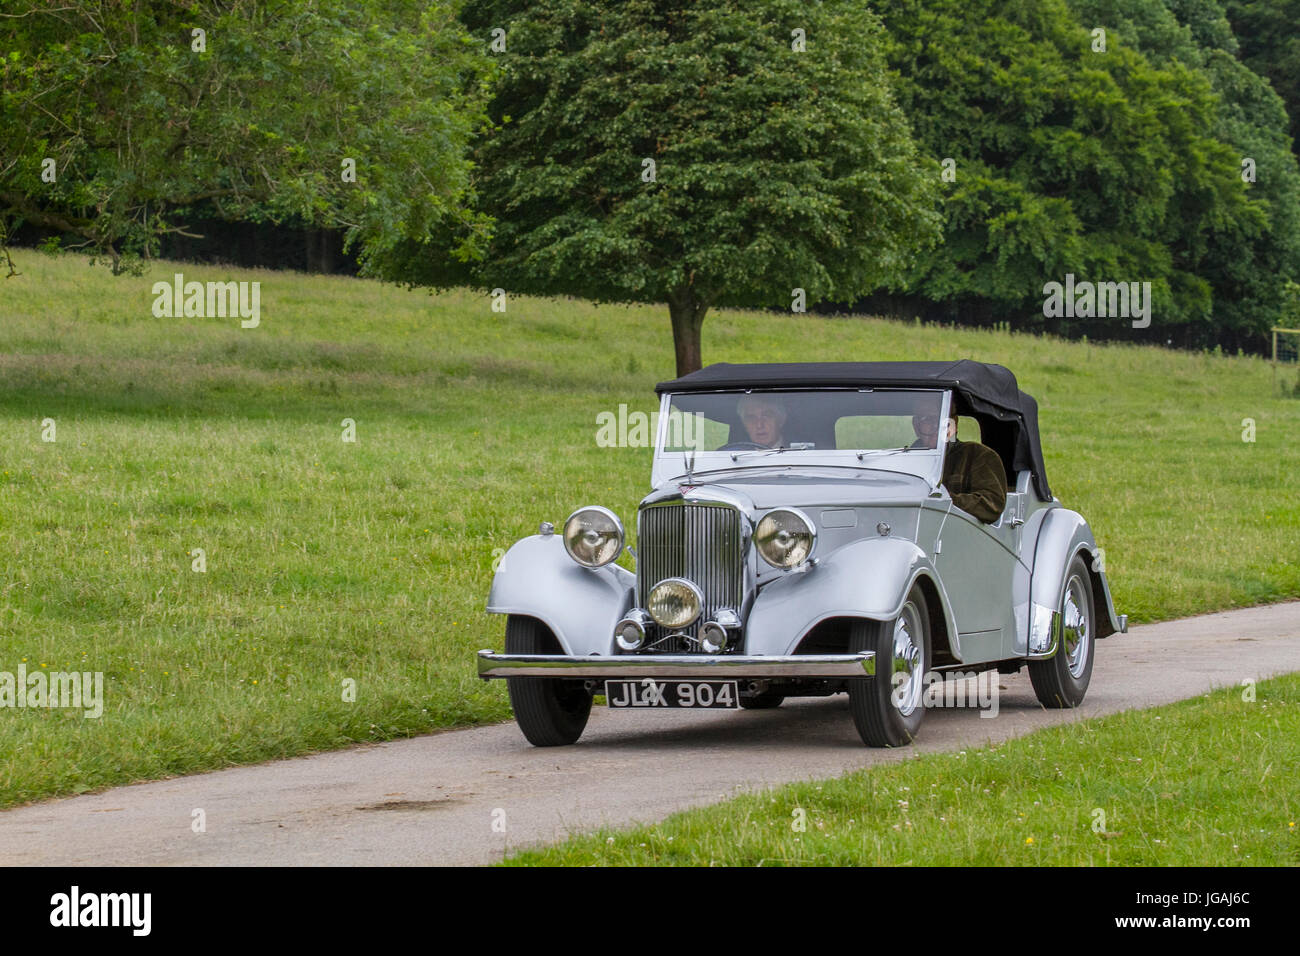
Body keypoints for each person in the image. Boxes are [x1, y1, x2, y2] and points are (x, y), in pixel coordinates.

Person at [910, 400, 1007, 523]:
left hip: (961, 535)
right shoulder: (902, 461)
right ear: (916, 426)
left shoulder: (977, 455)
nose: (937, 426)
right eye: (927, 419)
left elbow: (991, 505)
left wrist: (939, 502)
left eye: (944, 419)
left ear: (954, 423)